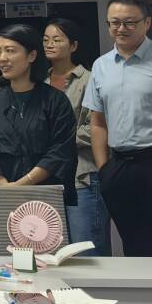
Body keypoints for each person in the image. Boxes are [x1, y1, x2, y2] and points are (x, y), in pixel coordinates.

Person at [85, 0, 152, 256]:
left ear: (147, 23)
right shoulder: (101, 66)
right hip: (119, 167)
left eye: (129, 22)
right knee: (132, 244)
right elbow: (98, 122)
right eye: (114, 22)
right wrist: (104, 169)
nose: (121, 29)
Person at [0, 25, 76, 212]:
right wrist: (4, 186)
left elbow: (60, 150)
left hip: (45, 196)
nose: (2, 58)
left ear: (32, 55)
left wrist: (22, 184)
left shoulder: (56, 100)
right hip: (2, 196)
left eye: (10, 51)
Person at [44, 18, 109, 256]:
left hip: (82, 174)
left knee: (86, 249)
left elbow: (96, 127)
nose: (50, 44)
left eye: (57, 39)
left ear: (73, 46)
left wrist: (57, 141)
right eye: (45, 40)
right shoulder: (40, 83)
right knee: (53, 249)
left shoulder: (89, 79)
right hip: (49, 177)